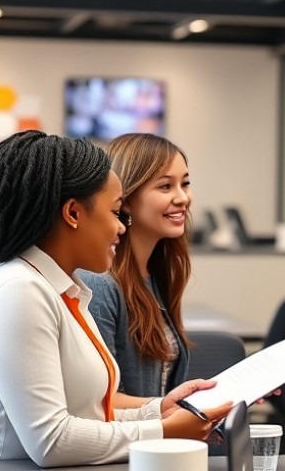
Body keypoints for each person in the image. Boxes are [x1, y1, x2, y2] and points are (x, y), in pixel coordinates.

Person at [0, 130, 231, 467]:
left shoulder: (64, 289)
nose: (121, 228)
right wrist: (163, 430)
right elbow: (52, 441)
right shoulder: (18, 291)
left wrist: (159, 409)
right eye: (116, 212)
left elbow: (90, 414)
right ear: (73, 213)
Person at [80, 134, 192, 401]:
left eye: (185, 184)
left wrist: (229, 396)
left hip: (155, 440)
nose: (182, 198)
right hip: (125, 442)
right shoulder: (98, 283)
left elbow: (164, 390)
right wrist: (173, 410)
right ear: (124, 198)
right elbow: (99, 400)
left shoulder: (154, 276)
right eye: (165, 187)